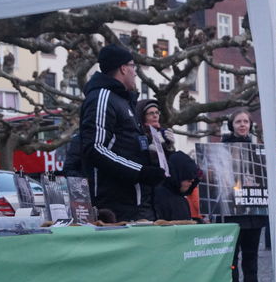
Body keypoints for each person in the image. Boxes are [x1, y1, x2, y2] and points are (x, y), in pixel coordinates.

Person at [79, 44, 165, 222]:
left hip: (136, 202)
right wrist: (140, 172)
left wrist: (153, 156)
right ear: (123, 68)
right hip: (113, 204)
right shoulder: (102, 97)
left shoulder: (125, 101)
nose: (135, 72)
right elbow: (95, 148)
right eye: (133, 66)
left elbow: (128, 145)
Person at [221, 109, 267, 282]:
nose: (242, 125)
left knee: (251, 254)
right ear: (232, 125)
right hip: (232, 209)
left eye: (245, 122)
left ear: (250, 125)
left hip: (254, 210)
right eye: (238, 121)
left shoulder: (258, 146)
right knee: (232, 255)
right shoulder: (222, 148)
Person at [153, 152, 201, 221]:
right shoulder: (161, 196)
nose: (191, 183)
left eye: (192, 181)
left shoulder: (181, 196)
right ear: (179, 176)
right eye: (189, 180)